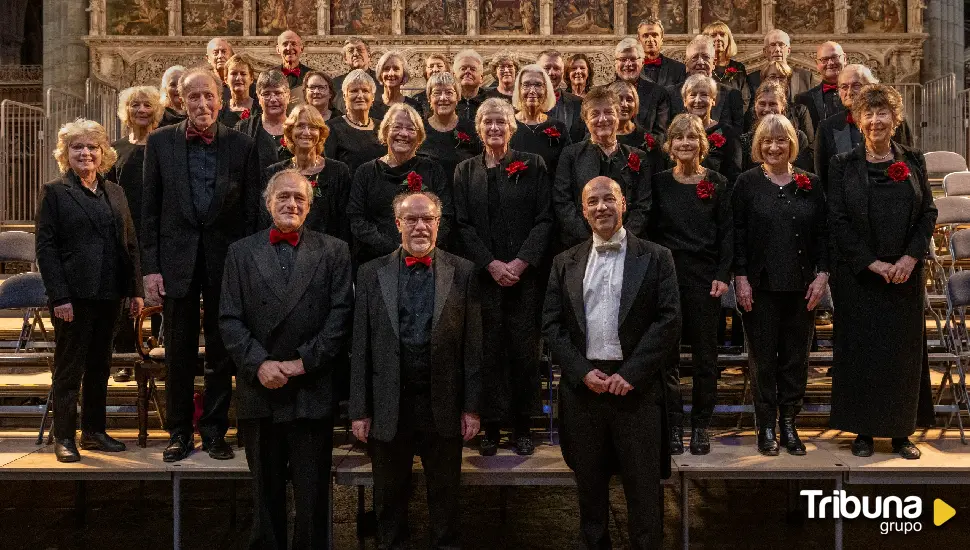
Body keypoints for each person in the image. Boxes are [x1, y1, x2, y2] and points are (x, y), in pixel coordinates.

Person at [543, 176, 680, 549]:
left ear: (624, 204)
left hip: (636, 392)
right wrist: (582, 371)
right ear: (583, 211)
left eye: (608, 199)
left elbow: (669, 320)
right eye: (593, 202)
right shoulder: (563, 262)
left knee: (644, 498)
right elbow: (552, 326)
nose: (601, 207)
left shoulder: (657, 256)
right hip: (584, 391)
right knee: (590, 499)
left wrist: (631, 374)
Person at [220, 169, 354, 550]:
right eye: (283, 197)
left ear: (310, 206)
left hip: (310, 389)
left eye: (299, 198)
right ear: (267, 203)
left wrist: (302, 363)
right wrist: (260, 364)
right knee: (265, 499)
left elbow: (341, 316)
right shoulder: (240, 253)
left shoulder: (334, 251)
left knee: (313, 500)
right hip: (259, 391)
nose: (291, 203)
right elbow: (229, 319)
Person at [350, 191, 482, 550]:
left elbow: (473, 346)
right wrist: (359, 410)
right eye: (412, 219)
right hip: (389, 407)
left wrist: (471, 407)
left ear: (439, 223)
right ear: (398, 224)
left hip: (443, 405)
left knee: (446, 503)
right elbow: (359, 346)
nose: (420, 226)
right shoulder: (370, 273)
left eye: (428, 219)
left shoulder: (464, 272)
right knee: (389, 505)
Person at [142, 67, 259, 462]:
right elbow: (150, 212)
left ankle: (214, 431)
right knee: (178, 351)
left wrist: (247, 269)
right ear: (181, 100)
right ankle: (177, 432)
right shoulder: (158, 144)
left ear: (221, 100)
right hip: (176, 264)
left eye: (209, 96)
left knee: (222, 352)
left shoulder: (242, 146)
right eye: (194, 97)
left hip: (225, 264)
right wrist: (150, 268)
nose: (202, 104)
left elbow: (250, 214)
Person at [828, 84, 937, 460]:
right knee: (862, 352)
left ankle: (901, 432)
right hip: (861, 277)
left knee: (901, 355)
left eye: (883, 113)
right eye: (869, 114)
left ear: (895, 118)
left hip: (905, 278)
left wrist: (910, 259)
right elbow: (838, 221)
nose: (876, 121)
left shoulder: (914, 160)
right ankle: (863, 431)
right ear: (859, 121)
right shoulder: (843, 165)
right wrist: (872, 264)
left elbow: (928, 214)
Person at [36, 119, 144, 462]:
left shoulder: (115, 192)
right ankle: (64, 436)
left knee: (100, 365)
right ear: (66, 154)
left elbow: (130, 243)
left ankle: (94, 432)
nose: (85, 153)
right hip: (74, 296)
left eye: (92, 147)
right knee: (70, 368)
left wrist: (136, 290)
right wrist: (60, 297)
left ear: (103, 153)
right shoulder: (55, 192)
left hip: (110, 293)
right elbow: (46, 249)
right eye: (77, 147)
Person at [454, 97, 553, 456]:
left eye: (501, 122)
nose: (494, 128)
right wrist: (491, 265)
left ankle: (524, 425)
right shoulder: (464, 171)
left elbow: (544, 218)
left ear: (512, 127)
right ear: (478, 129)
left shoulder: (533, 164)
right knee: (488, 352)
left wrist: (521, 262)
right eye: (487, 122)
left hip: (524, 279)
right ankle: (492, 427)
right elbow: (462, 225)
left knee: (525, 352)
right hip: (484, 278)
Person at [733, 114, 828, 456]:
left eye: (781, 140)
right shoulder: (746, 183)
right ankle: (766, 427)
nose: (774, 147)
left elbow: (823, 236)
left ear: (792, 144)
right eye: (768, 141)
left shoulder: (810, 183)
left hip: (802, 287)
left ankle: (789, 424)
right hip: (760, 288)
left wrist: (822, 275)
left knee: (795, 359)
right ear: (758, 146)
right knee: (763, 361)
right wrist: (740, 278)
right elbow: (738, 235)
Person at [648, 114, 732, 456]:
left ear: (702, 144)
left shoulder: (718, 182)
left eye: (692, 137)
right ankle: (672, 428)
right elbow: (651, 234)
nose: (685, 143)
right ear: (669, 146)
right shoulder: (658, 182)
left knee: (705, 360)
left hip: (705, 278)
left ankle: (700, 427)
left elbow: (728, 234)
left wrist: (722, 276)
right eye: (679, 138)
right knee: (666, 360)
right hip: (667, 277)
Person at [347, 103, 452, 266]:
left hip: (426, 260)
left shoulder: (433, 170)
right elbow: (357, 219)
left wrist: (420, 248)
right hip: (377, 261)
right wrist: (394, 249)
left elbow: (446, 216)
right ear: (385, 131)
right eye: (397, 127)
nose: (403, 134)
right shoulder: (365, 172)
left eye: (411, 129)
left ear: (419, 137)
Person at [107, 85, 163, 382]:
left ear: (157, 110)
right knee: (127, 294)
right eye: (135, 105)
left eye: (147, 105)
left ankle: (160, 353)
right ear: (125, 111)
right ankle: (125, 357)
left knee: (157, 294)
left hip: (158, 230)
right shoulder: (114, 150)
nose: (141, 110)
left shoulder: (165, 145)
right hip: (124, 232)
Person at [555, 87, 652, 249]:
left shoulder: (638, 156)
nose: (603, 119)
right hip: (581, 245)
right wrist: (590, 240)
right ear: (585, 120)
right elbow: (562, 202)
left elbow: (643, 204)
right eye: (595, 114)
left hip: (628, 245)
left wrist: (623, 239)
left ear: (617, 115)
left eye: (609, 112)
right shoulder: (570, 155)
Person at [815, 64, 915, 193]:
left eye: (856, 85)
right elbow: (823, 176)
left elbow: (907, 162)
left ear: (872, 87)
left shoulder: (895, 121)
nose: (849, 92)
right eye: (844, 87)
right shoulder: (826, 127)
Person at [263, 105, 353, 243]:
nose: (306, 132)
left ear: (321, 133)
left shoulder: (339, 171)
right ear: (290, 131)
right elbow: (266, 218)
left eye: (312, 127)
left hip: (327, 252)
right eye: (300, 126)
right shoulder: (274, 172)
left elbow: (344, 224)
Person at [417, 72, 483, 187]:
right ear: (429, 99)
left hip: (465, 195)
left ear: (458, 97)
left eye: (449, 92)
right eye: (437, 93)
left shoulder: (472, 129)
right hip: (429, 198)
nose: (443, 98)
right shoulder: (418, 130)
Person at [668, 35, 744, 131]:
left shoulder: (732, 95)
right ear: (686, 64)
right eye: (694, 58)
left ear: (714, 63)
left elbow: (737, 134)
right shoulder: (669, 94)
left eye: (706, 57)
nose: (700, 62)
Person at [679, 74, 742, 185]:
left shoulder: (727, 133)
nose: (698, 100)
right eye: (692, 95)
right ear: (684, 101)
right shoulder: (676, 132)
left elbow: (734, 175)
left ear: (713, 100)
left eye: (704, 95)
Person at [509, 66, 572, 177]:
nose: (532, 91)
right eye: (526, 85)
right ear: (518, 90)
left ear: (546, 90)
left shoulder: (559, 127)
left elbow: (567, 169)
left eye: (538, 85)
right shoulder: (507, 126)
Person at [740, 82, 813, 172]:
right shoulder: (745, 141)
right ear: (755, 106)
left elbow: (803, 175)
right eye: (762, 104)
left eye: (772, 104)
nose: (767, 109)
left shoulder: (799, 138)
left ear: (783, 106)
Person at [323, 69, 385, 175]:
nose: (360, 95)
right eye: (354, 91)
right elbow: (328, 170)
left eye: (365, 91)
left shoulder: (382, 127)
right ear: (344, 96)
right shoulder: (331, 128)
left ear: (373, 97)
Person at [613, 38, 671, 147]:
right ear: (616, 63)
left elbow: (661, 135)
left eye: (633, 59)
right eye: (623, 59)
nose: (628, 64)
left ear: (643, 62)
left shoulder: (658, 94)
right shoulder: (604, 93)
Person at [236, 69, 292, 171]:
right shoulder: (243, 128)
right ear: (258, 97)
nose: (273, 99)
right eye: (266, 94)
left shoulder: (299, 128)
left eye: (278, 93)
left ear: (288, 95)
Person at [746, 29, 813, 99]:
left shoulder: (806, 77)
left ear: (788, 50)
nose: (777, 49)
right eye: (772, 45)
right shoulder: (752, 79)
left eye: (781, 45)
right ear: (765, 51)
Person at [795, 41, 846, 129]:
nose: (830, 63)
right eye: (824, 59)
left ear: (844, 59)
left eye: (834, 57)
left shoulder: (860, 94)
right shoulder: (803, 100)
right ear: (817, 64)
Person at [539, 50, 586, 143]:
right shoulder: (522, 105)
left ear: (563, 72)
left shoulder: (579, 104)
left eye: (556, 68)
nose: (551, 73)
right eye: (546, 68)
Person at [332, 37, 383, 114]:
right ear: (345, 59)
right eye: (350, 51)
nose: (355, 54)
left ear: (369, 56)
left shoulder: (382, 81)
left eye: (360, 50)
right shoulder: (334, 84)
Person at [371, 50, 423, 120]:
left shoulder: (414, 106)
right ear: (380, 74)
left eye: (396, 69)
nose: (391, 73)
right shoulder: (372, 106)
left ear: (404, 75)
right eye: (386, 69)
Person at [637, 17, 686, 88]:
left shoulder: (679, 69)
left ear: (662, 39)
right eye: (645, 36)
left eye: (654, 35)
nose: (650, 39)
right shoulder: (631, 69)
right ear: (639, 40)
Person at [705, 20, 749, 97]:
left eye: (722, 35)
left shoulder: (738, 67)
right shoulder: (702, 66)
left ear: (729, 40)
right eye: (713, 35)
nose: (718, 38)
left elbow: (745, 98)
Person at [220, 55, 260, 129]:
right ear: (226, 80)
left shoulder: (261, 109)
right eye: (234, 73)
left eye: (243, 74)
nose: (238, 78)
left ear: (251, 79)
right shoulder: (220, 111)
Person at [453, 49, 490, 122]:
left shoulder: (491, 103)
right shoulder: (445, 103)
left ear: (481, 78)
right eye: (463, 68)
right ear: (454, 76)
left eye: (473, 69)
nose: (467, 71)